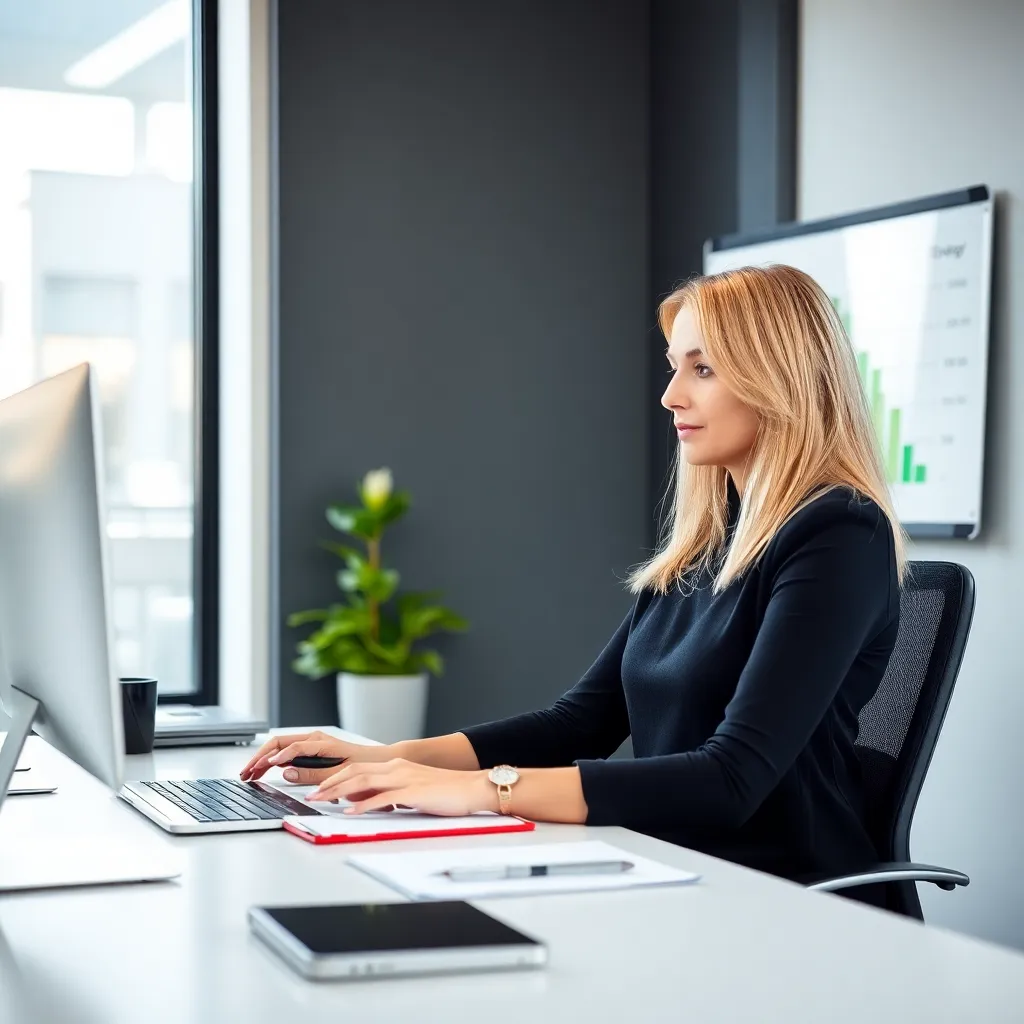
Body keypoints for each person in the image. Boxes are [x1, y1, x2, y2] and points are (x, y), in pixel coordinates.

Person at [241, 264, 905, 899]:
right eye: (676, 368)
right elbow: (580, 722)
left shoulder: (840, 536)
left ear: (778, 379)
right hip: (663, 866)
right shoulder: (707, 543)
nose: (671, 396)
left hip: (776, 896)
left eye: (703, 369)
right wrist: (387, 759)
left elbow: (729, 779)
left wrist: (484, 789)